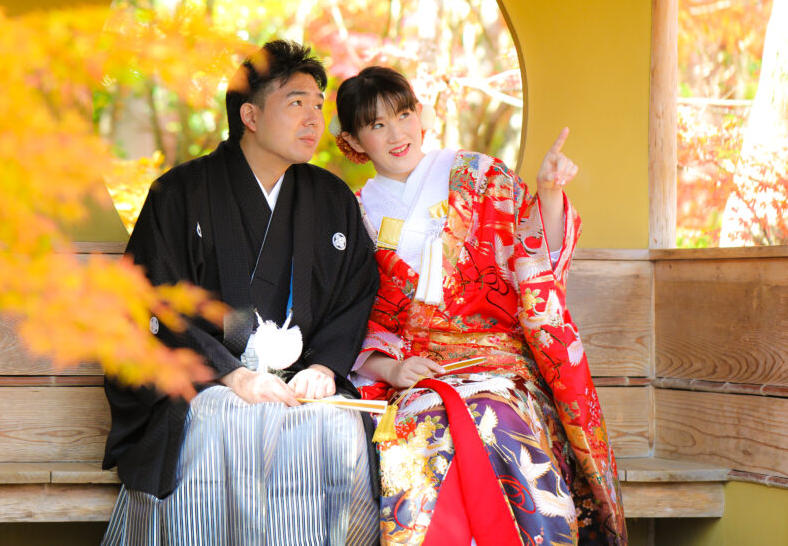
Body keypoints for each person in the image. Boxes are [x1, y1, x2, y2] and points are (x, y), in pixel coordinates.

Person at [101, 41, 380, 545]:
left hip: (299, 381)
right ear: (250, 115)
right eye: (296, 102)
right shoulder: (179, 193)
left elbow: (355, 292)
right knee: (226, 420)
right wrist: (232, 374)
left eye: (318, 105)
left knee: (336, 427)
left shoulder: (330, 198)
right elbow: (152, 301)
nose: (314, 119)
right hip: (204, 381)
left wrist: (324, 368)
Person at [334, 66, 627, 546]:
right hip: (420, 373)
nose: (397, 134)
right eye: (377, 124)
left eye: (403, 115)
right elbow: (352, 313)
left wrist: (549, 193)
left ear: (421, 114)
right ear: (352, 140)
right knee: (427, 428)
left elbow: (534, 261)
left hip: (500, 365)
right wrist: (391, 369)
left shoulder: (479, 175)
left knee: (495, 416)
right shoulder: (354, 213)